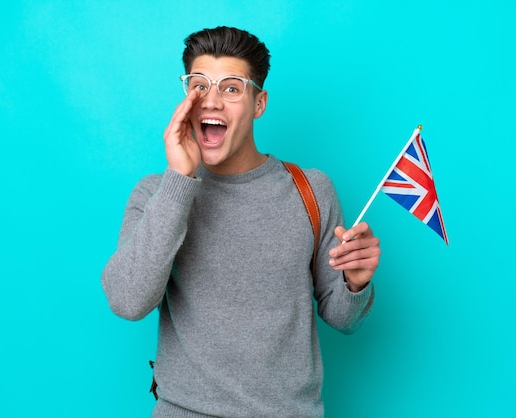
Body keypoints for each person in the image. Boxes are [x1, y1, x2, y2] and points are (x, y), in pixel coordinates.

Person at [102, 26, 381, 417]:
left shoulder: (311, 190)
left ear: (258, 103)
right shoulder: (156, 194)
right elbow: (127, 300)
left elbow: (341, 318)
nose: (211, 101)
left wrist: (356, 282)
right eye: (199, 86)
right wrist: (180, 181)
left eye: (231, 88)